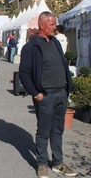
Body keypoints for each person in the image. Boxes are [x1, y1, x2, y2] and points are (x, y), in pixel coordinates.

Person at [19, 12, 76, 178]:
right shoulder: (31, 47)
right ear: (42, 25)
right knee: (43, 131)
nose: (55, 27)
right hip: (45, 96)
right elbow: (24, 73)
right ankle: (42, 163)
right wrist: (36, 94)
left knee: (57, 130)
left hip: (61, 93)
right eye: (52, 25)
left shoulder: (56, 42)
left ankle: (58, 162)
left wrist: (67, 88)